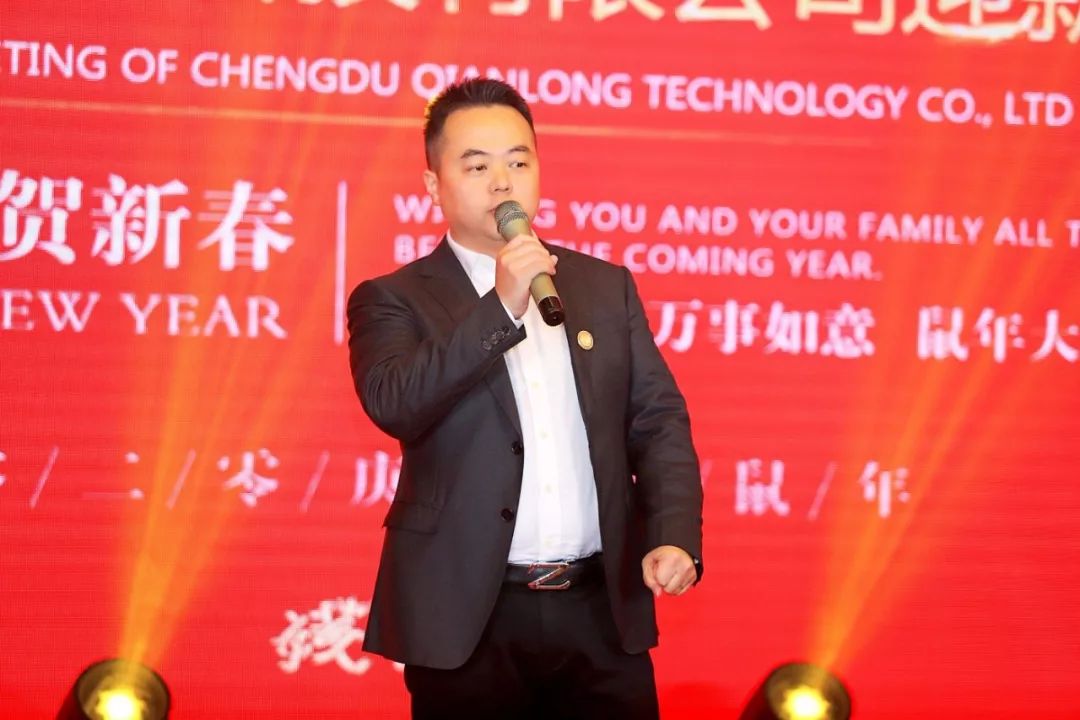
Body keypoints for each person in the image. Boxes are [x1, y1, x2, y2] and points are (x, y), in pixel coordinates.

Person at [346, 77, 703, 720]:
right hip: (469, 618)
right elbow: (395, 401)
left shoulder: (603, 286)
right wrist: (502, 305)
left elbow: (657, 421)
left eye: (518, 162)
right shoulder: (394, 298)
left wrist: (672, 534)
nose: (502, 183)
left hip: (599, 611)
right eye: (476, 166)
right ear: (433, 185)